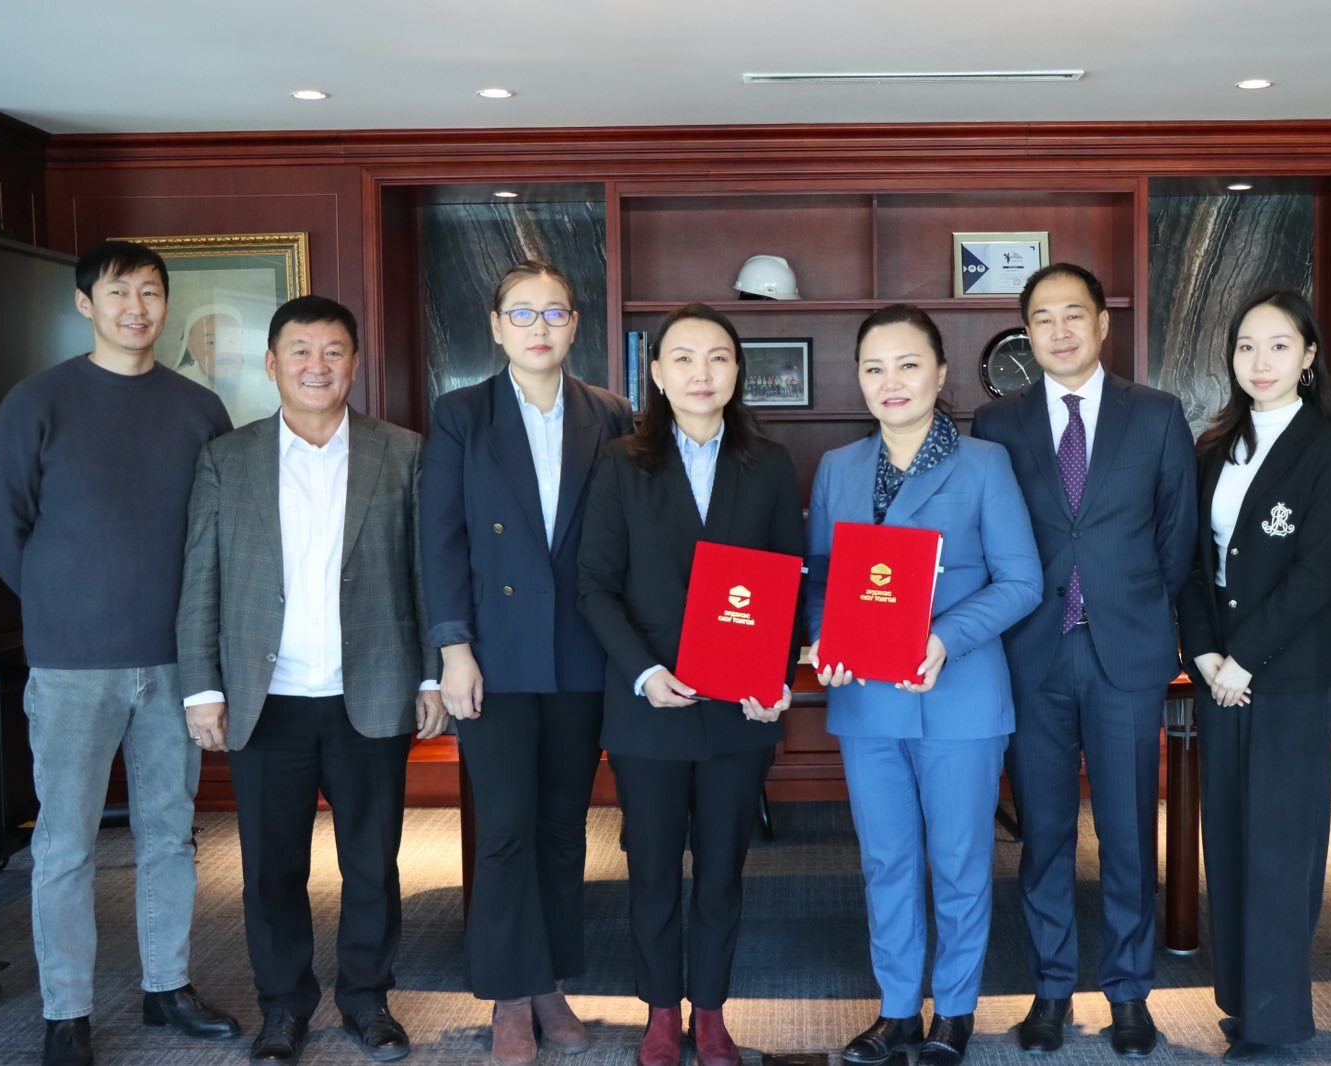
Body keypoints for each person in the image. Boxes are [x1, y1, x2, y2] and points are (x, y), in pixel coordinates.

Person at [177, 295, 447, 1064]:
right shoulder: (227, 458)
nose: (316, 366)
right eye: (300, 351)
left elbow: (426, 572)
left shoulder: (403, 452)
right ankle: (284, 1008)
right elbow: (201, 577)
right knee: (272, 871)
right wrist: (203, 688)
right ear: (273, 364)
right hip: (266, 700)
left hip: (373, 691)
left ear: (354, 364)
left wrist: (431, 674)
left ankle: (367, 1002)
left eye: (333, 351)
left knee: (371, 865)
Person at [0, 239, 239, 1066]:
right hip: (71, 665)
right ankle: (66, 1011)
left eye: (150, 292)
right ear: (85, 304)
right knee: (65, 843)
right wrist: (61, 601)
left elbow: (215, 531)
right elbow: (4, 527)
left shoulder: (198, 407)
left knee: (169, 833)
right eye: (118, 292)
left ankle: (168, 986)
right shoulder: (38, 402)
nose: (136, 308)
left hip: (175, 661)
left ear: (166, 304)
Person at [970, 262, 1197, 1059]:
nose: (1059, 330)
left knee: (1130, 833)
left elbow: (1176, 537)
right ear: (1026, 334)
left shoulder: (1157, 414)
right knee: (1044, 835)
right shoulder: (997, 423)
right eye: (1042, 318)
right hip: (1032, 652)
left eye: (1074, 314)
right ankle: (1051, 989)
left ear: (1103, 323)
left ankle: (1129, 993)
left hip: (1125, 652)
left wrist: (1126, 605)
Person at [805, 305, 1042, 1066]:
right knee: (887, 861)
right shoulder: (838, 467)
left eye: (908, 364)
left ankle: (956, 1012)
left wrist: (944, 637)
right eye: (874, 367)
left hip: (959, 696)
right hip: (866, 700)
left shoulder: (983, 464)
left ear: (940, 373)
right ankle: (899, 1011)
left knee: (961, 860)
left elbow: (1022, 581)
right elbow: (821, 580)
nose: (891, 381)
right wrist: (824, 639)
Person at [577, 303, 804, 1066]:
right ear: (656, 373)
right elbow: (595, 586)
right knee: (650, 871)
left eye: (717, 357)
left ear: (737, 371)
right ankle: (659, 1012)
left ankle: (710, 1011)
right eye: (683, 358)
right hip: (649, 708)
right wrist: (644, 672)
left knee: (721, 871)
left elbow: (789, 582)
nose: (700, 373)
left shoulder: (768, 464)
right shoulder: (619, 463)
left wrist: (775, 677)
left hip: (740, 710)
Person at [420, 260, 632, 1064]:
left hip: (581, 650)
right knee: (506, 828)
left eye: (553, 313)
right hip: (494, 657)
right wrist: (453, 649)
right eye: (522, 312)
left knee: (564, 827)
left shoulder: (610, 414)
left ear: (575, 324)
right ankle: (511, 996)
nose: (538, 327)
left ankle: (549, 982)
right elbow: (441, 538)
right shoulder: (461, 414)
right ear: (495, 325)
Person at [1175, 290, 1331, 1062]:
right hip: (1221, 672)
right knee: (1228, 838)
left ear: (1309, 357)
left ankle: (1276, 1024)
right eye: (1246, 345)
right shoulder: (1214, 446)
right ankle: (1241, 1003)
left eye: (1279, 345)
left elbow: (1317, 573)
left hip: (1288, 676)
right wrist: (1204, 654)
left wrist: (1245, 658)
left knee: (1282, 849)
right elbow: (1190, 563)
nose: (1260, 361)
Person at [172, 303, 277, 426]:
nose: (223, 351)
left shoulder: (266, 384)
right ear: (191, 349)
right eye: (210, 342)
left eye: (231, 341)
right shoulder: (176, 388)